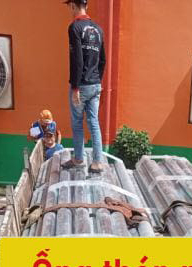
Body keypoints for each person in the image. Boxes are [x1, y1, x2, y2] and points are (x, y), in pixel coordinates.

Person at [66, 0, 106, 173]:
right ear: (86, 6)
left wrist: (75, 88)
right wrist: (98, 81)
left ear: (73, 6)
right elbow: (102, 59)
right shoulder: (98, 29)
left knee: (77, 123)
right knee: (94, 122)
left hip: (81, 85)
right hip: (95, 84)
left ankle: (79, 158)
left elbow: (77, 59)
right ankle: (97, 162)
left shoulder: (74, 27)